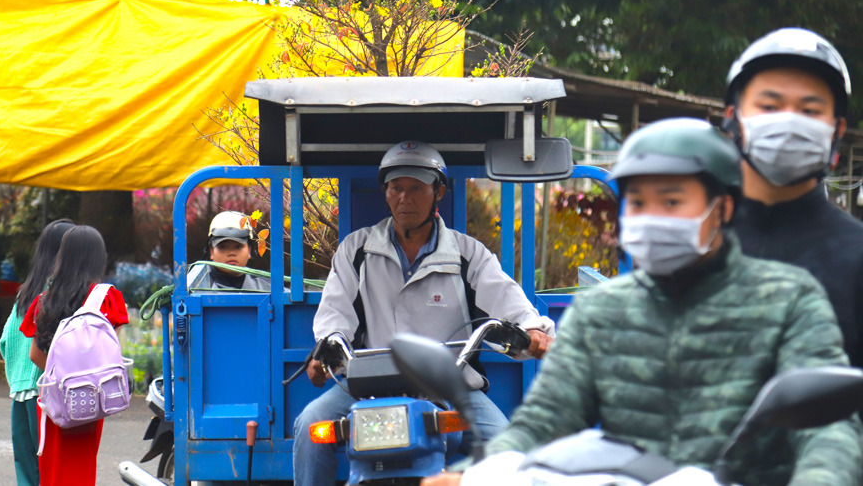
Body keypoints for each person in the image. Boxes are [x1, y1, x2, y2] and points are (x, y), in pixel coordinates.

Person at [423, 119, 862, 486]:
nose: (652, 217)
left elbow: (829, 427)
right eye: (639, 202)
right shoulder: (603, 312)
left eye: (672, 201)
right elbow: (543, 420)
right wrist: (472, 475)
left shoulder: (788, 299)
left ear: (724, 208)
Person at [293, 141, 556, 486]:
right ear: (385, 193)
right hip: (368, 385)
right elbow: (334, 314)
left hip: (451, 384)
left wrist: (533, 331)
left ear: (439, 192)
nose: (405, 198)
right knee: (308, 426)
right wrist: (326, 351)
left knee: (508, 456)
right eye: (396, 188)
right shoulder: (356, 249)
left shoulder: (467, 253)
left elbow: (507, 298)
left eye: (416, 188)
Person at [721, 27, 863, 367]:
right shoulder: (692, 241)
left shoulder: (857, 256)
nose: (788, 121)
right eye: (769, 106)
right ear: (733, 120)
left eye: (810, 111)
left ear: (836, 131)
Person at [19, 225, 129, 486]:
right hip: (90, 395)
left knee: (52, 470)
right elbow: (111, 350)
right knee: (80, 469)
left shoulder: (45, 300)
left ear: (62, 257)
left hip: (53, 399)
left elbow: (35, 354)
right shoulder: (107, 297)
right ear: (97, 258)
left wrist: (61, 377)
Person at [0, 219, 73, 486]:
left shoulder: (26, 292)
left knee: (27, 469)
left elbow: (5, 341)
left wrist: (17, 374)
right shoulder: (58, 294)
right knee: (51, 469)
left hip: (19, 393)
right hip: (45, 392)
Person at [187, 210, 270, 291]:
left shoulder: (269, 290)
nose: (231, 253)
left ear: (249, 250)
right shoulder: (193, 289)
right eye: (222, 247)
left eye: (238, 247)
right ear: (211, 251)